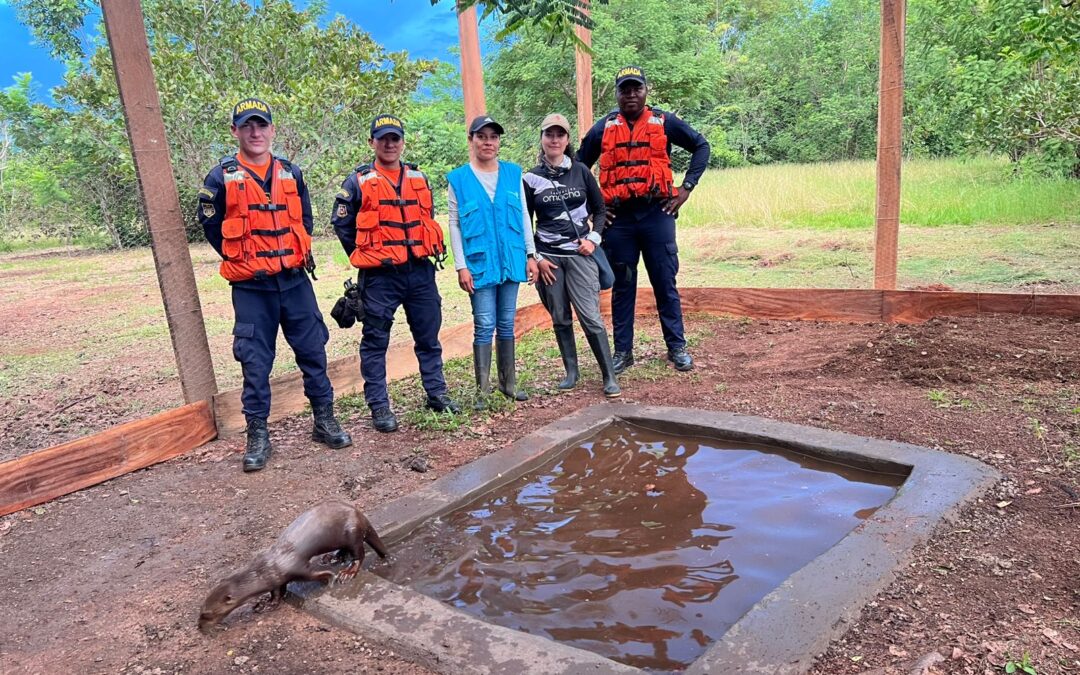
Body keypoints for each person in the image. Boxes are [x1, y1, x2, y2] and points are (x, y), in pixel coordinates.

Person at [197, 98, 351, 472]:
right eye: (247, 126)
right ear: (235, 131)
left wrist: (288, 254)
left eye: (261, 125)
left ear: (272, 130)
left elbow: (305, 221)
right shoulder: (220, 178)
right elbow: (213, 229)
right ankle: (258, 436)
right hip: (252, 288)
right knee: (254, 361)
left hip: (295, 281)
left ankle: (324, 420)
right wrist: (250, 259)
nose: (255, 132)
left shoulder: (291, 173)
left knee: (313, 350)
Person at [577, 66, 710, 374]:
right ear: (617, 94)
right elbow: (578, 167)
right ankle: (623, 352)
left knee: (665, 281)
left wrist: (686, 188)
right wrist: (594, 209)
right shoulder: (603, 128)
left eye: (636, 88)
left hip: (657, 214)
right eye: (625, 89)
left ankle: (676, 347)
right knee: (623, 286)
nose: (631, 94)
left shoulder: (664, 121)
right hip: (618, 219)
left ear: (646, 91)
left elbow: (701, 146)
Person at [331, 114, 460, 433]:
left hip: (419, 271)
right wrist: (367, 254)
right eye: (383, 138)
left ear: (402, 142)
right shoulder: (357, 181)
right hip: (380, 277)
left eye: (395, 138)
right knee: (375, 341)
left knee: (428, 336)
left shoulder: (418, 177)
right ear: (372, 142)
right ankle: (379, 405)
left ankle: (436, 394)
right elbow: (343, 224)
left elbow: (425, 218)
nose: (389, 144)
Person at [522, 113, 620, 398]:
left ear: (567, 140)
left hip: (580, 254)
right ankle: (571, 372)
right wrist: (535, 257)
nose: (554, 140)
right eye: (549, 134)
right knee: (560, 316)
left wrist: (594, 239)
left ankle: (608, 375)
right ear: (542, 138)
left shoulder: (581, 171)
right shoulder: (530, 178)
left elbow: (600, 210)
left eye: (560, 135)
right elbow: (525, 221)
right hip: (549, 258)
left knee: (590, 315)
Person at [447, 115, 539, 408]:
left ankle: (508, 384)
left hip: (511, 258)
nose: (488, 142)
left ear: (498, 142)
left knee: (507, 323)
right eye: (482, 136)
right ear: (471, 140)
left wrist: (531, 255)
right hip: (479, 263)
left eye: (493, 137)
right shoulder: (459, 179)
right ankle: (483, 390)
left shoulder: (513, 174)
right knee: (484, 323)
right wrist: (461, 265)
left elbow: (523, 216)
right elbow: (454, 224)